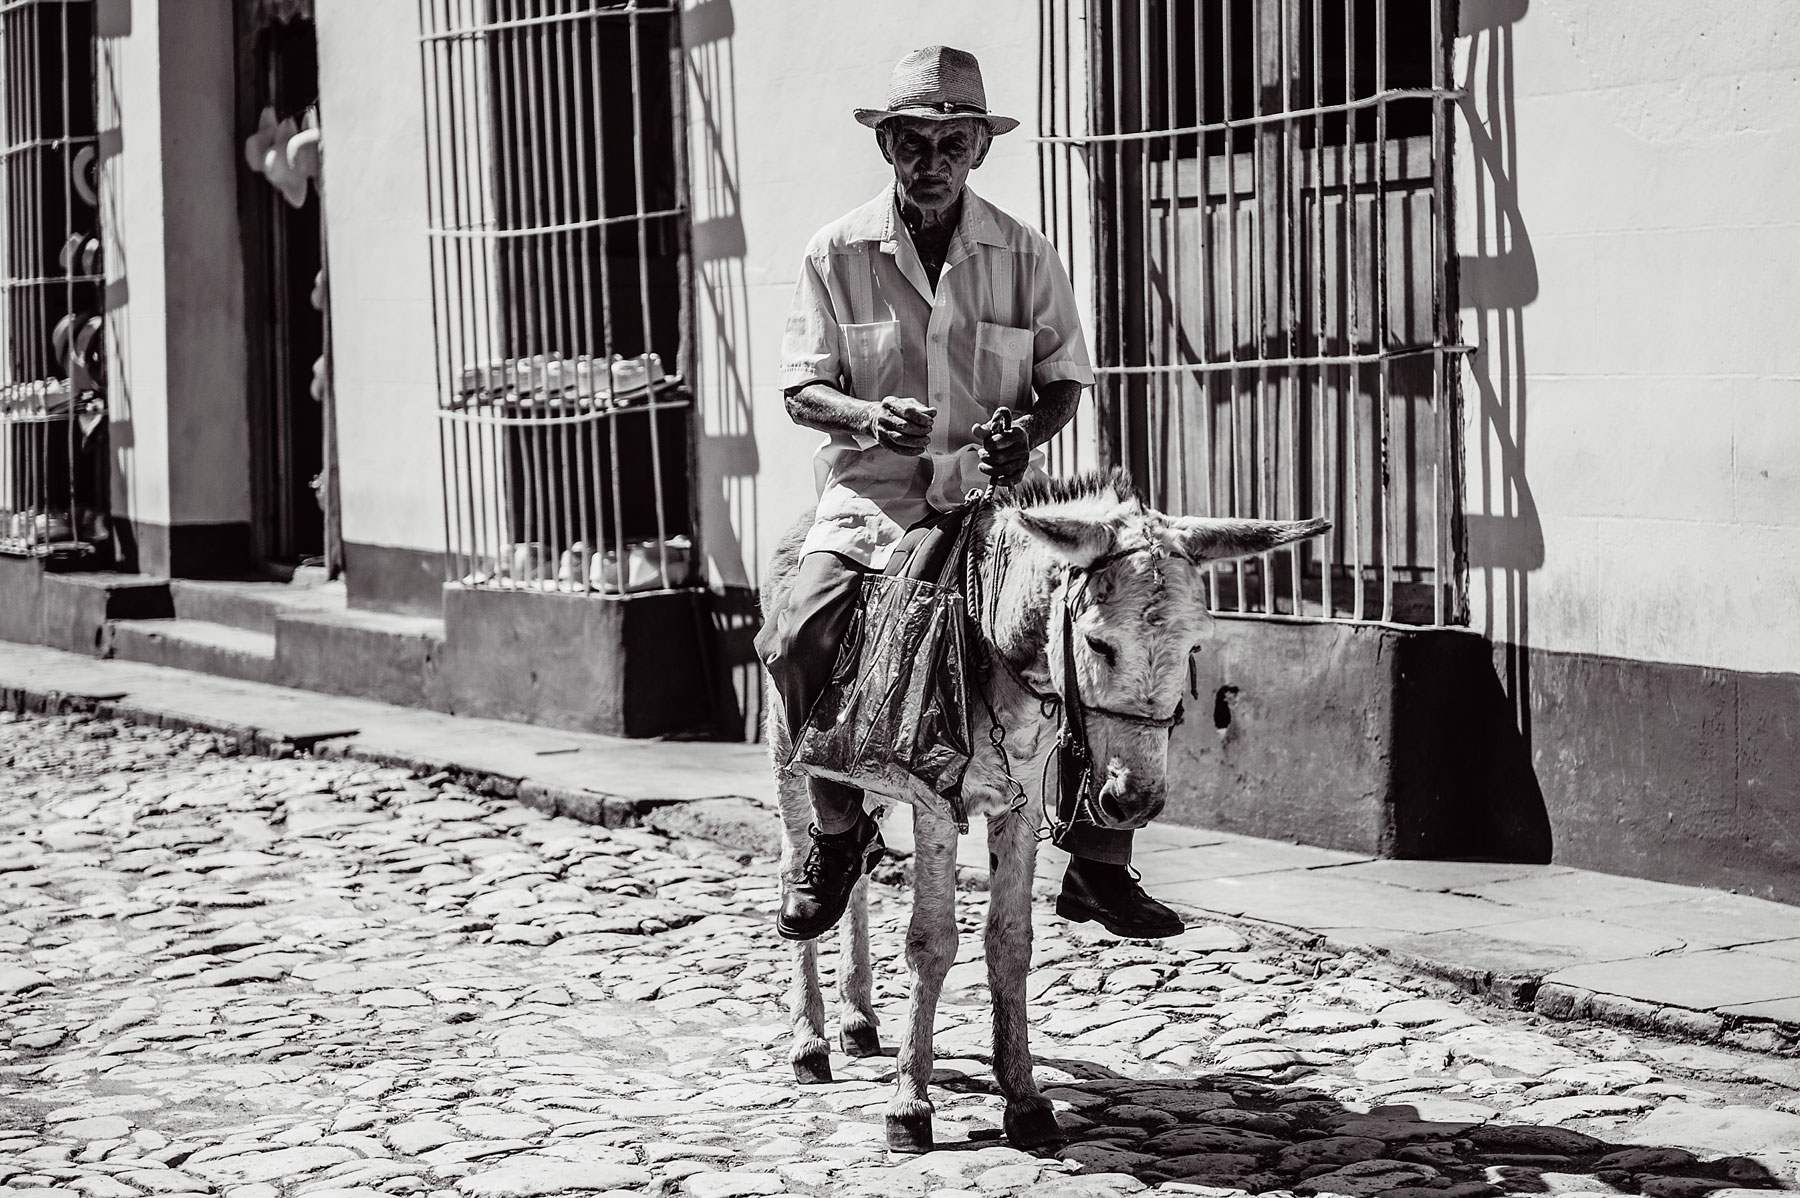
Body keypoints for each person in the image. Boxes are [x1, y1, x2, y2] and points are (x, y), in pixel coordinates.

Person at [757, 45, 1186, 944]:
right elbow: (802, 390)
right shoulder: (835, 251)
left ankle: (1100, 861)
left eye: (953, 143)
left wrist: (1024, 432)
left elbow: (1063, 381)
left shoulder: (1024, 251)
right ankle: (836, 833)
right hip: (873, 499)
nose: (933, 161)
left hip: (1000, 506)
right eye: (914, 141)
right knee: (799, 636)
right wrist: (868, 417)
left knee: (1103, 635)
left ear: (980, 150)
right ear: (887, 146)